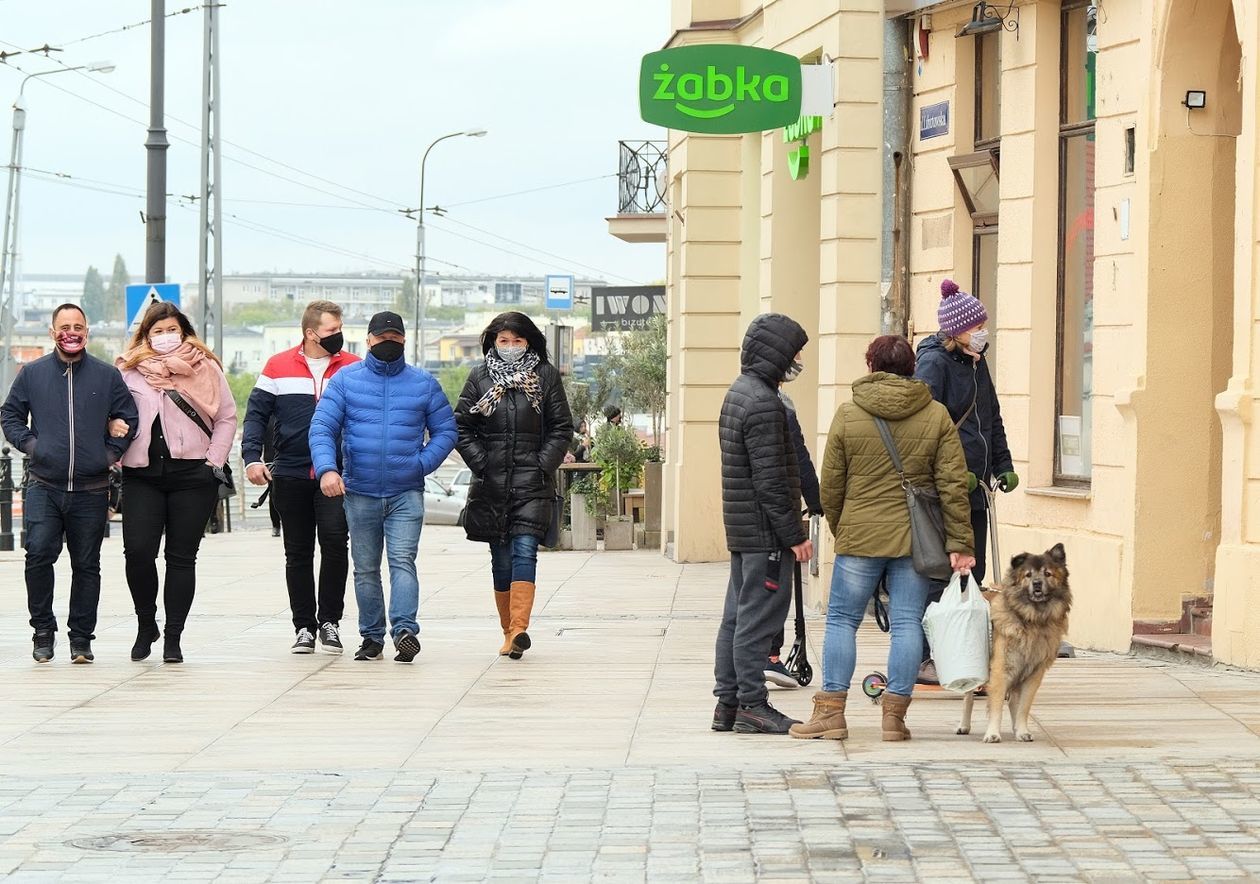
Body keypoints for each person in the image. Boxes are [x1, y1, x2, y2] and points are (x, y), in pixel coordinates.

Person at [789, 335, 974, 743]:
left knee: (842, 620)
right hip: (916, 540)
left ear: (870, 365)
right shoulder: (936, 415)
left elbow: (831, 485)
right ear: (912, 368)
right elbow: (952, 485)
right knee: (908, 622)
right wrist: (960, 542)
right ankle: (894, 717)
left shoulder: (849, 413)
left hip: (860, 536)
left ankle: (831, 713)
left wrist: (843, 527)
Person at [308, 311, 457, 663]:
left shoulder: (424, 383)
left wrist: (420, 464)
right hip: (359, 492)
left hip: (406, 492)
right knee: (365, 568)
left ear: (403, 340)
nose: (388, 342)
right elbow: (322, 428)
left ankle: (404, 630)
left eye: (395, 337)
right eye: (381, 337)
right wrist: (328, 469)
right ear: (369, 339)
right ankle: (371, 637)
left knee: (403, 561)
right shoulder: (345, 380)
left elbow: (447, 432)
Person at [1, 303, 138, 664]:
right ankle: (43, 633)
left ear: (87, 332)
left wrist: (110, 453)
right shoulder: (32, 374)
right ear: (52, 332)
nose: (71, 332)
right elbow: (10, 415)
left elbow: (129, 417)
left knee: (86, 565)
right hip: (44, 486)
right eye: (64, 326)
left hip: (92, 489)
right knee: (38, 557)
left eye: (78, 326)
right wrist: (33, 445)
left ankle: (81, 639)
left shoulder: (108, 376)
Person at [116, 302, 237, 664]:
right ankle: (145, 623)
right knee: (138, 553)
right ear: (146, 335)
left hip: (192, 477)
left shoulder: (205, 366)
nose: (166, 337)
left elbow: (227, 418)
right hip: (142, 474)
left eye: (172, 330)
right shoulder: (129, 370)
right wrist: (114, 432)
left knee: (181, 558)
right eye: (158, 331)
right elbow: (114, 413)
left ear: (183, 330)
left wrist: (212, 461)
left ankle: (173, 637)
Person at [712, 313, 813, 736]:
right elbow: (771, 481)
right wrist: (794, 536)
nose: (798, 360)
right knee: (757, 620)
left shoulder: (740, 393)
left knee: (737, 616)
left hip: (745, 531)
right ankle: (753, 704)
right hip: (765, 535)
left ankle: (728, 705)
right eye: (795, 352)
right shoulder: (764, 404)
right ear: (777, 354)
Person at [454, 312, 574, 659]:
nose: (510, 347)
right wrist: (481, 462)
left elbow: (561, 427)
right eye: (503, 341)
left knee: (524, 550)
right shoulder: (479, 377)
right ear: (493, 342)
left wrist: (542, 464)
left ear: (529, 342)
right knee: (501, 558)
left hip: (532, 482)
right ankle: (508, 632)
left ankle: (520, 627)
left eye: (517, 341)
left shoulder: (545, 377)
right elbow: (462, 426)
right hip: (491, 484)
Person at [242, 300, 359, 655]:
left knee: (336, 545)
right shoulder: (277, 367)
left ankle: (331, 622)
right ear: (310, 333)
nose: (339, 336)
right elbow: (255, 416)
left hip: (337, 476)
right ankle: (304, 626)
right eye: (331, 331)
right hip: (290, 472)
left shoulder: (353, 367)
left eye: (340, 329)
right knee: (298, 552)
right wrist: (251, 458)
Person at [914, 279, 1017, 681]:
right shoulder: (933, 364)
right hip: (946, 489)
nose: (983, 332)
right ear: (957, 330)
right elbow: (926, 427)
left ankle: (962, 652)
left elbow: (991, 417)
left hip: (978, 488)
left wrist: (1002, 465)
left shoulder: (977, 361)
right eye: (978, 327)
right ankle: (927, 655)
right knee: (941, 573)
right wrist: (955, 474)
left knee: (971, 573)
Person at [764, 382, 824, 690]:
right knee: (776, 586)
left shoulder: (739, 396)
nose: (799, 361)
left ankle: (751, 661)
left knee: (754, 589)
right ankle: (769, 657)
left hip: (746, 516)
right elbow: (798, 459)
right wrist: (815, 502)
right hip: (775, 512)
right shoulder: (779, 405)